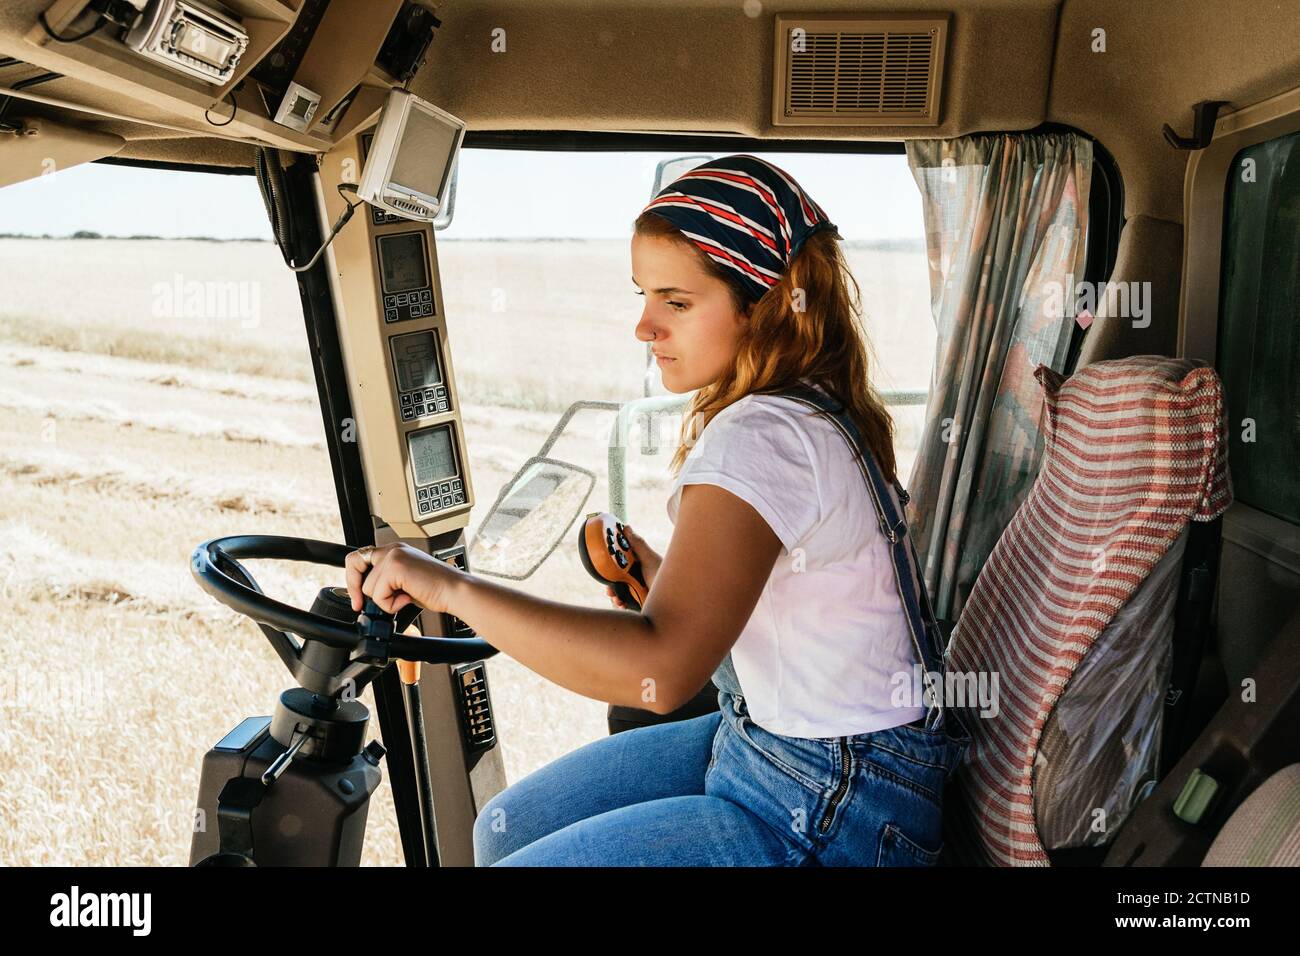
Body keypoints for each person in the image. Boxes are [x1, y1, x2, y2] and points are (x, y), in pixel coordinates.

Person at [344, 154, 969, 866]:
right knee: (503, 829)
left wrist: (447, 585)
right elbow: (787, 606)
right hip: (789, 749)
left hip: (833, 801)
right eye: (643, 295)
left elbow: (664, 671)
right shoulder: (810, 412)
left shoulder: (762, 436)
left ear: (764, 304)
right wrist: (666, 575)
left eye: (676, 301)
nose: (645, 327)